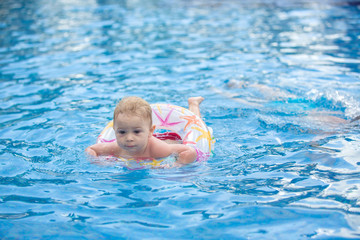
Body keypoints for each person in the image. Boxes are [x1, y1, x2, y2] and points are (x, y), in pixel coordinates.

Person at [85, 96, 205, 165]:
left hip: (171, 140)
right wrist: (97, 163)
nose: (129, 138)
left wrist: (177, 166)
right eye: (122, 132)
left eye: (136, 132)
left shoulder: (158, 149)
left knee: (195, 121)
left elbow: (190, 151)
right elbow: (91, 149)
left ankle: (193, 104)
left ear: (150, 131)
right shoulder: (115, 147)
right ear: (114, 130)